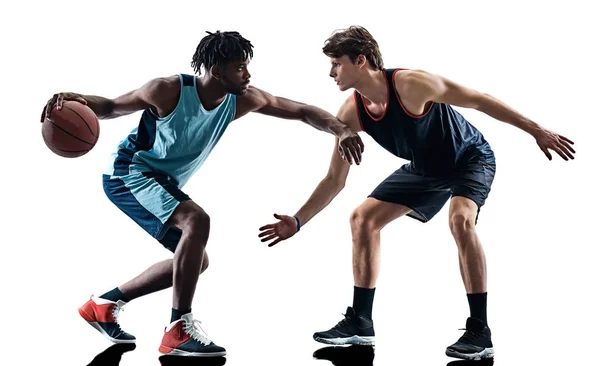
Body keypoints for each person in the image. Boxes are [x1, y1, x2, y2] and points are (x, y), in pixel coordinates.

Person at [258, 25, 575, 361]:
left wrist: (536, 130)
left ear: (360, 60)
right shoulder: (350, 113)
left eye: (337, 63)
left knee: (460, 221)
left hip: (469, 158)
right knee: (362, 218)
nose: (331, 72)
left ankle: (479, 330)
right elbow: (335, 180)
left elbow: (480, 101)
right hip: (424, 169)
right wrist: (297, 220)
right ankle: (360, 323)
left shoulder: (412, 84)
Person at [40, 30, 365, 357]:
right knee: (197, 220)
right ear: (216, 70)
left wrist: (342, 129)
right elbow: (111, 106)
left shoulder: (243, 99)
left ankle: (105, 304)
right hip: (130, 174)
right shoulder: (166, 91)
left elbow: (301, 110)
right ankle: (178, 329)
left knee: (196, 260)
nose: (248, 75)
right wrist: (78, 99)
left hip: (161, 181)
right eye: (240, 68)